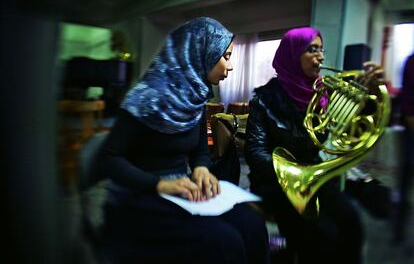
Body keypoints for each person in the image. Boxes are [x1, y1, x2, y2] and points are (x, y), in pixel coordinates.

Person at [97, 17, 270, 264]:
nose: (230, 67)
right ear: (201, 52)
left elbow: (199, 150)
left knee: (252, 224)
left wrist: (201, 168)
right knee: (224, 242)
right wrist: (160, 185)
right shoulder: (145, 98)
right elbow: (108, 159)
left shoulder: (194, 98)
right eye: (226, 57)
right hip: (141, 196)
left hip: (182, 192)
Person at [244, 27, 385, 264]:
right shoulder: (264, 99)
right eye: (312, 49)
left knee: (351, 222)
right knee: (322, 236)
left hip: (315, 178)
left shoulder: (323, 94)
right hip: (276, 183)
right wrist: (295, 173)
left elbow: (353, 128)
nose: (320, 56)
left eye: (321, 50)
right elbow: (255, 152)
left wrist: (371, 95)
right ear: (292, 54)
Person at [394, 52, 414, 242]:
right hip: (412, 127)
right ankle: (398, 230)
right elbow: (407, 97)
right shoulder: (411, 61)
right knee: (406, 175)